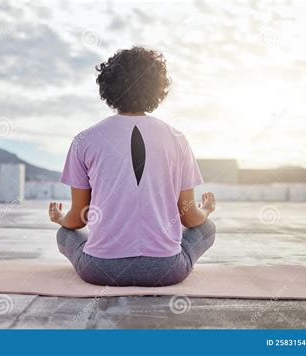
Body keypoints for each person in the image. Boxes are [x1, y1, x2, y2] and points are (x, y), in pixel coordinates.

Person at [48, 46, 216, 287]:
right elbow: (190, 218)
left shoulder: (84, 140)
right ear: (157, 89)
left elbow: (78, 219)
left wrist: (60, 218)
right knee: (207, 228)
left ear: (108, 88)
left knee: (65, 234)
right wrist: (207, 209)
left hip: (100, 269)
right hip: (165, 270)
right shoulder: (177, 139)